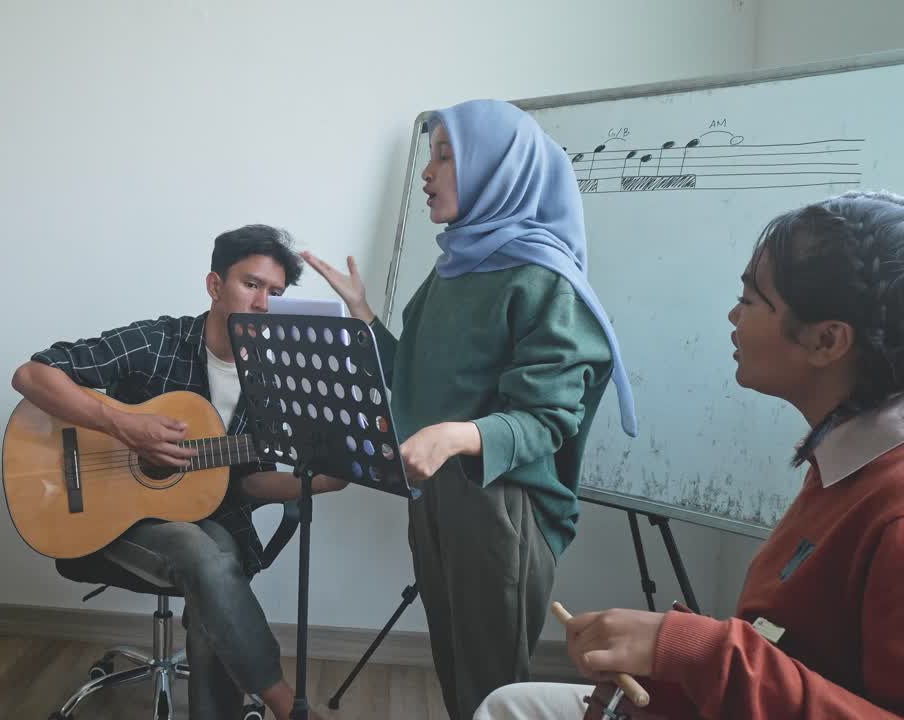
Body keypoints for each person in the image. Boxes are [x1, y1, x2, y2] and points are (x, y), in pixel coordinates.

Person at [474, 191, 904, 719]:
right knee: (512, 706)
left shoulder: (892, 507)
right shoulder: (844, 456)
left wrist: (697, 651)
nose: (732, 314)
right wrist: (673, 666)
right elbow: (792, 650)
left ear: (828, 341)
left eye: (750, 301)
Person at [303, 99, 637, 719]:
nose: (427, 173)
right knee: (454, 666)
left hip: (500, 505)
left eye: (445, 156)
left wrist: (455, 438)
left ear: (498, 168)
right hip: (438, 495)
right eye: (430, 156)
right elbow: (422, 376)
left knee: (492, 683)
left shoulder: (545, 280)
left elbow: (547, 417)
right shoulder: (456, 266)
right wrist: (364, 317)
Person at [11, 224, 347, 720]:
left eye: (275, 293)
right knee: (206, 559)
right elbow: (32, 375)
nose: (262, 303)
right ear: (214, 285)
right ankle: (283, 704)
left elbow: (251, 480)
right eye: (251, 284)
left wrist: (320, 481)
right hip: (103, 518)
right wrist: (126, 426)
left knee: (217, 559)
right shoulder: (160, 342)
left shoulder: (270, 380)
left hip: (210, 520)